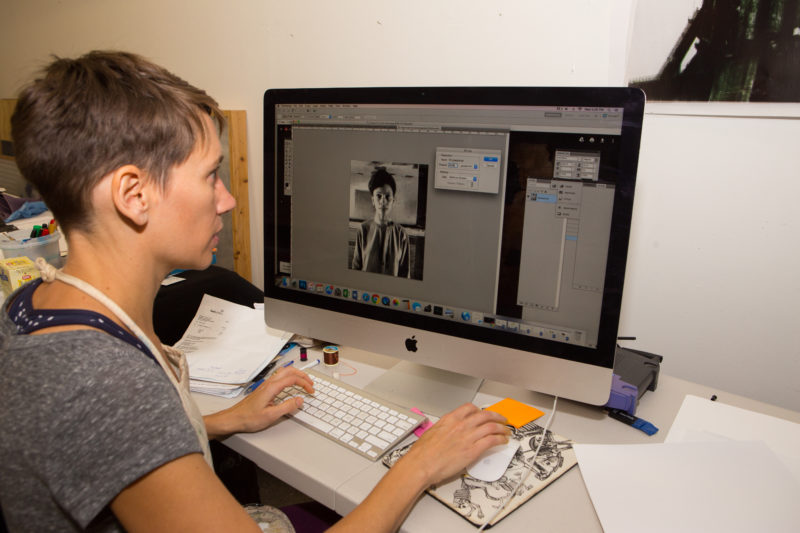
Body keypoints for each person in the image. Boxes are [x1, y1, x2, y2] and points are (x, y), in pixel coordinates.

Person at [0, 50, 509, 533]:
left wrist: (225, 421)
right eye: (210, 176)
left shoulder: (30, 307)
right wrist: (419, 465)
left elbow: (107, 445)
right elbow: (118, 417)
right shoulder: (108, 385)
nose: (227, 200)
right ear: (134, 195)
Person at [351, 167, 411, 277]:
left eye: (388, 196)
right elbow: (356, 268)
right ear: (373, 200)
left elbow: (405, 275)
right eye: (378, 196)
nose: (383, 201)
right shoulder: (363, 229)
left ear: (393, 201)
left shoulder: (401, 234)